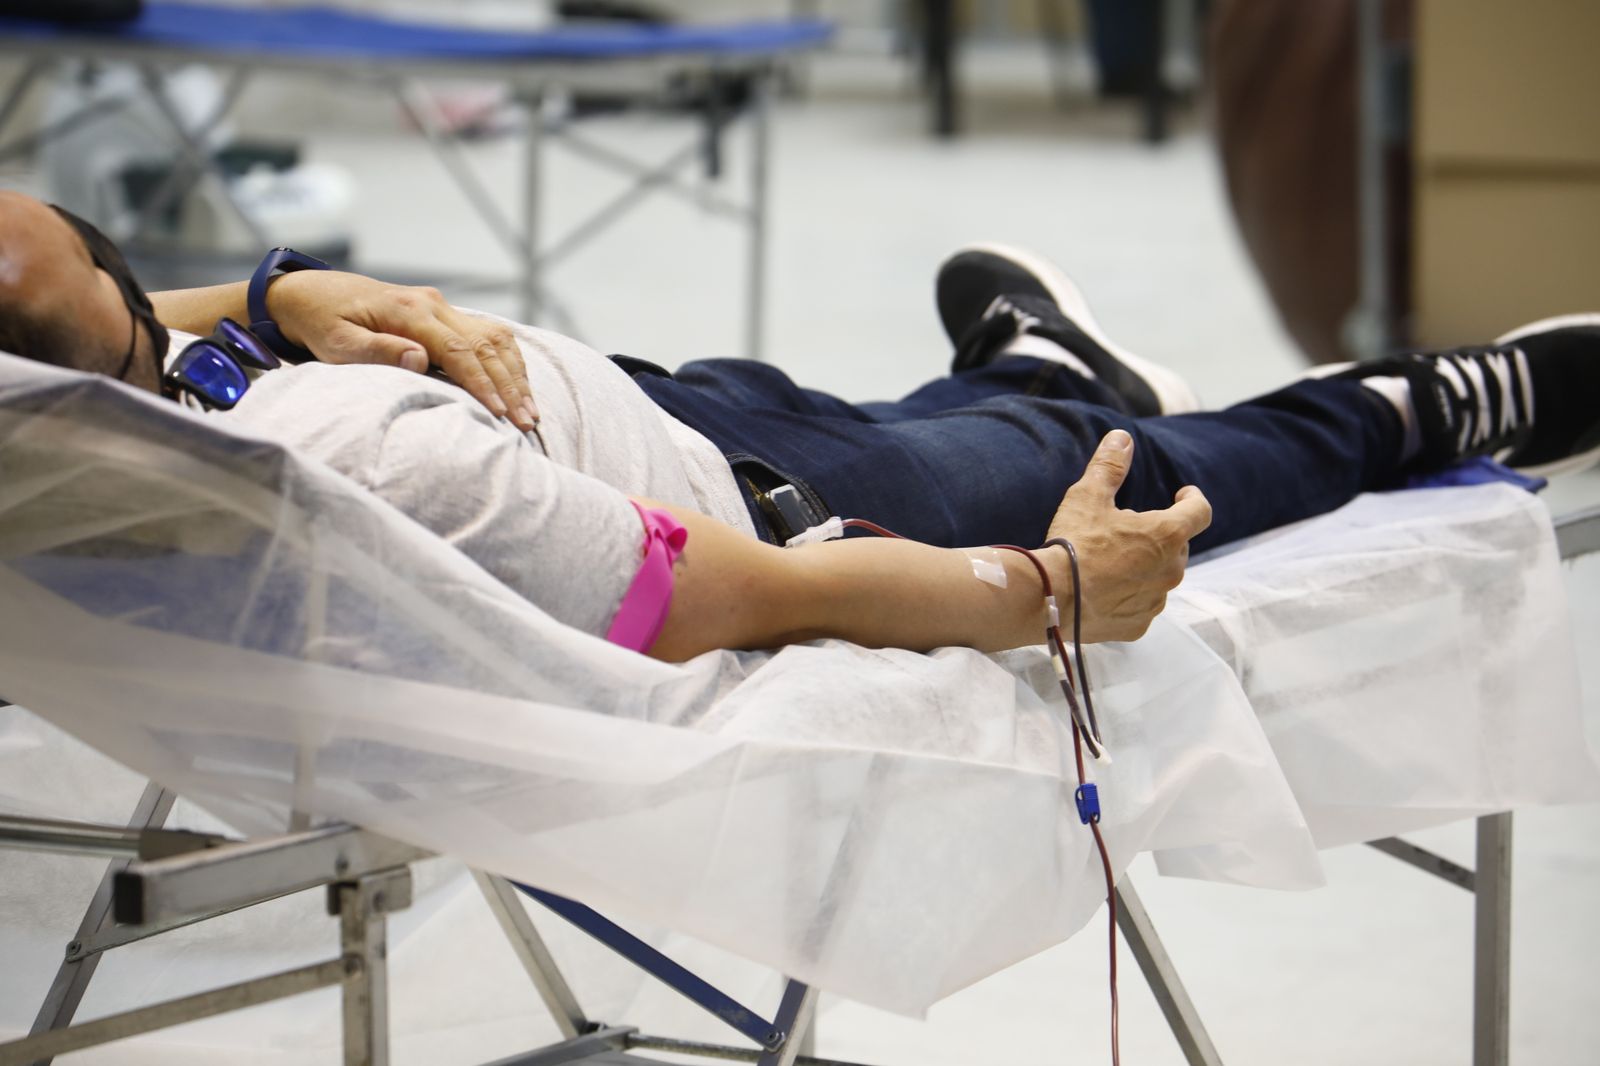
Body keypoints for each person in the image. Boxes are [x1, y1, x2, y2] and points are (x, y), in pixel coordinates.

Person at [2, 189, 1597, 663]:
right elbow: (737, 595)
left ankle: (1042, 373)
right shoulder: (370, 458)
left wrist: (269, 298)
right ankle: (1430, 404)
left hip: (651, 412)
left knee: (916, 412)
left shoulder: (103, 415)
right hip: (778, 510)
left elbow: (94, 346)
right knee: (1163, 473)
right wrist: (1048, 592)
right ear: (93, 275)